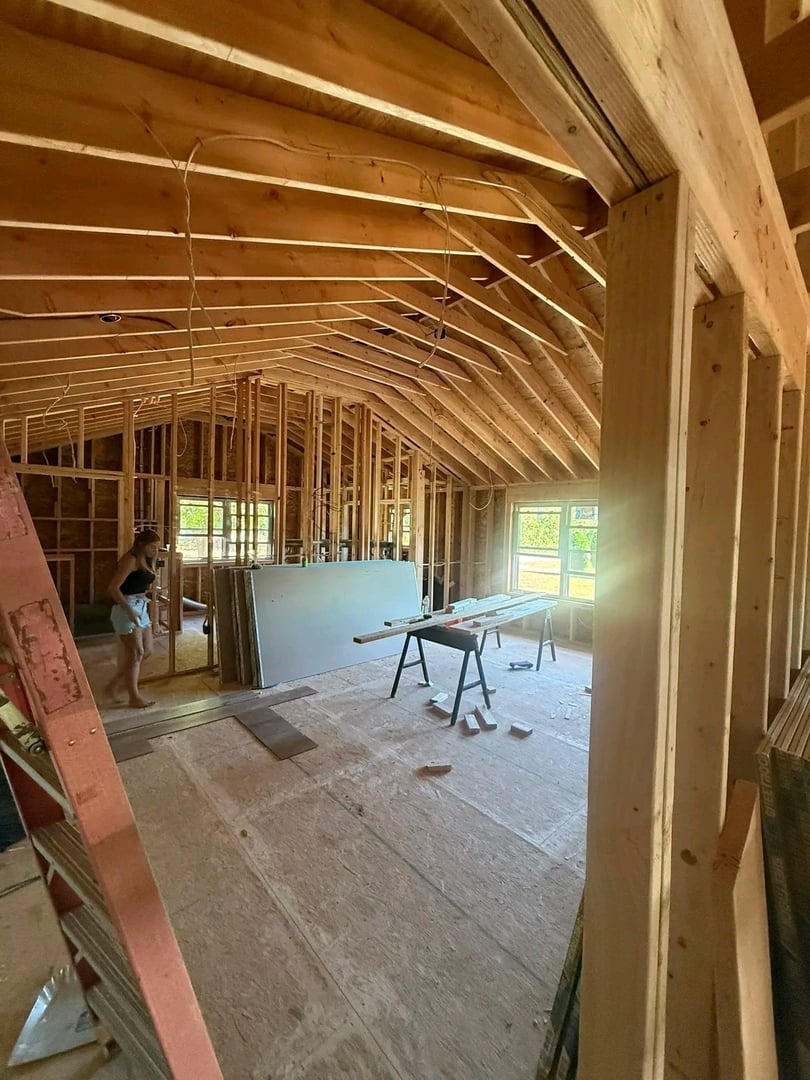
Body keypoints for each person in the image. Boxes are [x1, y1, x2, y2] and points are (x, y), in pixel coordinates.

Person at [104, 528, 160, 708]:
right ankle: (134, 697)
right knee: (137, 653)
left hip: (141, 606)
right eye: (152, 546)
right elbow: (113, 588)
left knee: (148, 650)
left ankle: (113, 685)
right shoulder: (131, 559)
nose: (155, 550)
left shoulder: (147, 560)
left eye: (157, 547)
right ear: (142, 544)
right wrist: (129, 610)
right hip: (126, 607)